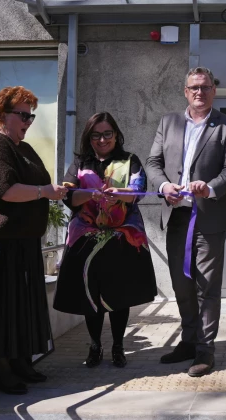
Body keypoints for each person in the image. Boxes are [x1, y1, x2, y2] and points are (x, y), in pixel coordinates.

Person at [0, 86, 67, 395]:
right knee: (3, 311)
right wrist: (44, 192)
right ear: (1, 114)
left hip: (23, 241)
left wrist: (52, 190)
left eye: (30, 116)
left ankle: (20, 362)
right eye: (22, 115)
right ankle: (2, 371)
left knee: (22, 309)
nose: (28, 122)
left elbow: (38, 184)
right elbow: (2, 191)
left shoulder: (24, 148)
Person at [146, 67, 226, 377]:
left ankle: (205, 350)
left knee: (206, 286)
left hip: (208, 217)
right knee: (181, 284)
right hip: (176, 215)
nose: (200, 92)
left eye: (205, 87)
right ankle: (188, 341)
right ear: (185, 92)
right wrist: (164, 186)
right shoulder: (168, 122)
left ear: (214, 90)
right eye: (194, 87)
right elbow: (153, 162)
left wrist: (210, 187)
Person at [53, 112, 157, 369]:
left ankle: (118, 346)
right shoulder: (80, 163)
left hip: (121, 239)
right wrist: (90, 194)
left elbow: (137, 193)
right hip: (86, 241)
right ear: (88, 137)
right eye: (96, 135)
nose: (102, 139)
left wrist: (118, 194)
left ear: (116, 135)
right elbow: (68, 196)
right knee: (91, 296)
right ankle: (95, 345)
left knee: (119, 295)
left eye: (107, 134)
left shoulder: (129, 160)